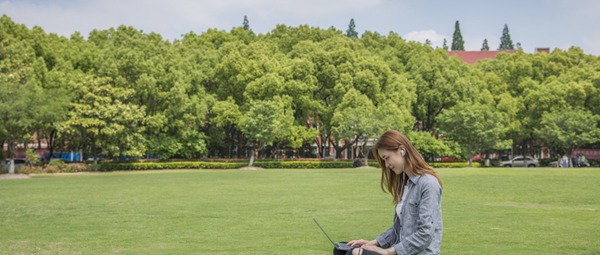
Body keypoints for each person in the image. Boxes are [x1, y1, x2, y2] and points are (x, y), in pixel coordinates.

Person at [334, 130, 443, 255]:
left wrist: (388, 252)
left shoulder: (428, 184)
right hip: (399, 251)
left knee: (355, 253)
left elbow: (425, 234)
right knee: (340, 249)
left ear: (402, 150)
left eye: (387, 158)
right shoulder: (404, 184)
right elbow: (399, 228)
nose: (386, 165)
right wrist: (374, 243)